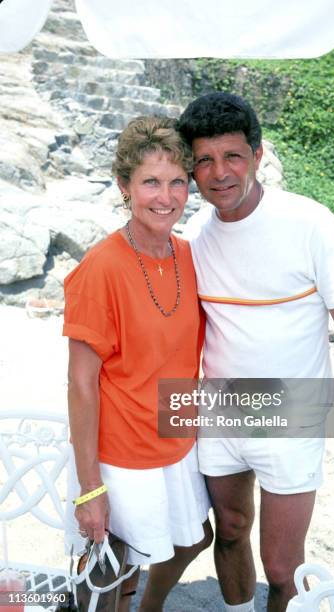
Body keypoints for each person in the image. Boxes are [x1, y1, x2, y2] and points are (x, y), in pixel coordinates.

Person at [178, 93, 334, 612]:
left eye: (232, 157)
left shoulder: (311, 223)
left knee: (283, 567)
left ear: (259, 154)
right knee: (228, 531)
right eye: (204, 160)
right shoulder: (194, 235)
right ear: (191, 168)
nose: (219, 173)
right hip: (220, 410)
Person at [63, 116, 212, 612]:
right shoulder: (100, 268)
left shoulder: (189, 256)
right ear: (124, 186)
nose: (165, 196)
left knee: (193, 538)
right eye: (150, 182)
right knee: (110, 572)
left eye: (176, 182)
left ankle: (146, 606)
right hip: (120, 453)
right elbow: (82, 385)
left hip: (175, 441)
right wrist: (90, 490)